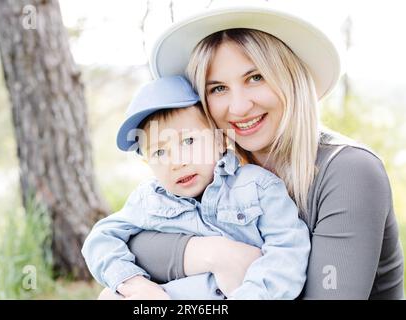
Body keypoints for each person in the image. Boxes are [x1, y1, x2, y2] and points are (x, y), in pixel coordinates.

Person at [123, 5, 404, 299]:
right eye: (218, 88)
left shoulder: (349, 171)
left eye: (256, 77)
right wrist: (213, 253)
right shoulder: (216, 174)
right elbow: (131, 238)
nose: (240, 106)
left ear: (290, 79)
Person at [81, 75, 311, 299]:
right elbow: (100, 239)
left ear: (220, 140)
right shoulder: (150, 200)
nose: (177, 162)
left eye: (188, 141)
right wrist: (134, 283)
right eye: (160, 152)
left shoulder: (258, 187)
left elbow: (288, 250)